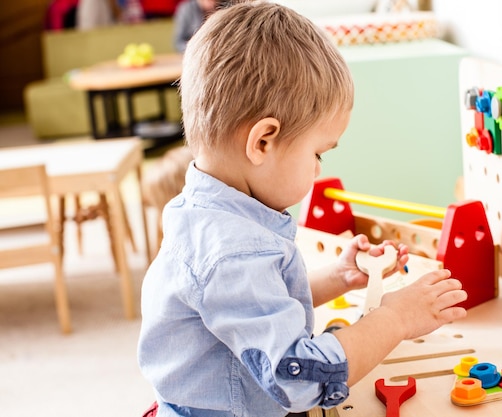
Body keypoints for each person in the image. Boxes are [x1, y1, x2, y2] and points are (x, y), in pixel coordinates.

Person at [137, 2, 468, 417]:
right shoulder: (234, 250)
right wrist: (394, 319)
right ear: (262, 142)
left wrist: (337, 277)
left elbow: (253, 308)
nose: (317, 168)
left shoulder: (208, 212)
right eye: (318, 154)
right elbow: (302, 381)